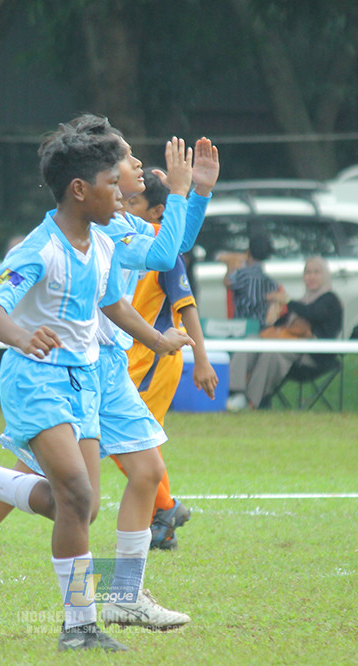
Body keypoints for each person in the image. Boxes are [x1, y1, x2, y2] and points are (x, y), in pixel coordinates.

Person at [0, 115, 217, 639]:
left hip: (84, 377)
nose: (129, 176)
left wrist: (158, 339)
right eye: (116, 176)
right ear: (83, 190)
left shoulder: (102, 239)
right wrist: (19, 335)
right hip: (37, 380)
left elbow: (122, 295)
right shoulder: (41, 248)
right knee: (78, 497)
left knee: (75, 503)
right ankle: (81, 623)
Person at [124, 169, 219, 549]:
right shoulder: (127, 240)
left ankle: (165, 508)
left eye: (133, 202)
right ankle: (164, 518)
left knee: (125, 439)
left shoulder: (165, 252)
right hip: (128, 357)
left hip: (154, 359)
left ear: (157, 211)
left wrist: (203, 360)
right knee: (137, 440)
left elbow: (187, 305)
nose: (125, 206)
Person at [226, 255, 343, 411]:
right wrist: (272, 317)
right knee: (251, 340)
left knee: (272, 352)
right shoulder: (301, 301)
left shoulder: (330, 300)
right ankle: (233, 390)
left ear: (325, 275)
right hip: (290, 347)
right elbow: (281, 327)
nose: (312, 277)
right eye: (308, 273)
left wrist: (286, 301)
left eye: (316, 272)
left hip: (313, 355)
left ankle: (253, 400)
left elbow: (313, 313)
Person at [218, 230, 281, 324]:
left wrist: (230, 264)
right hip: (260, 328)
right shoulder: (271, 282)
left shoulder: (242, 276)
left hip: (241, 327)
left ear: (249, 252)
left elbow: (227, 282)